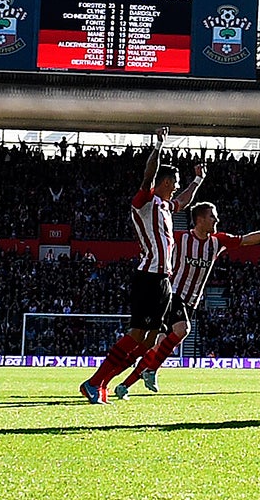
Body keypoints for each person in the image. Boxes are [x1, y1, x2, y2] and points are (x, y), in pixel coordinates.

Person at [81, 131, 205, 405]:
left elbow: (183, 201)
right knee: (137, 333)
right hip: (148, 276)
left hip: (163, 280)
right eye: (174, 182)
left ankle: (102, 383)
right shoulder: (145, 201)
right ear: (164, 181)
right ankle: (93, 382)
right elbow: (148, 176)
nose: (176, 186)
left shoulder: (164, 206)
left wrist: (197, 180)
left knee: (150, 340)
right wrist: (158, 146)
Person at [118, 203, 260, 393]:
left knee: (160, 345)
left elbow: (246, 240)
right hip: (173, 294)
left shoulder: (217, 241)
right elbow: (156, 243)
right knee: (183, 329)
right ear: (200, 219)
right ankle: (151, 370)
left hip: (191, 301)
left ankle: (125, 385)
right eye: (213, 217)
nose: (217, 220)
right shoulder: (181, 238)